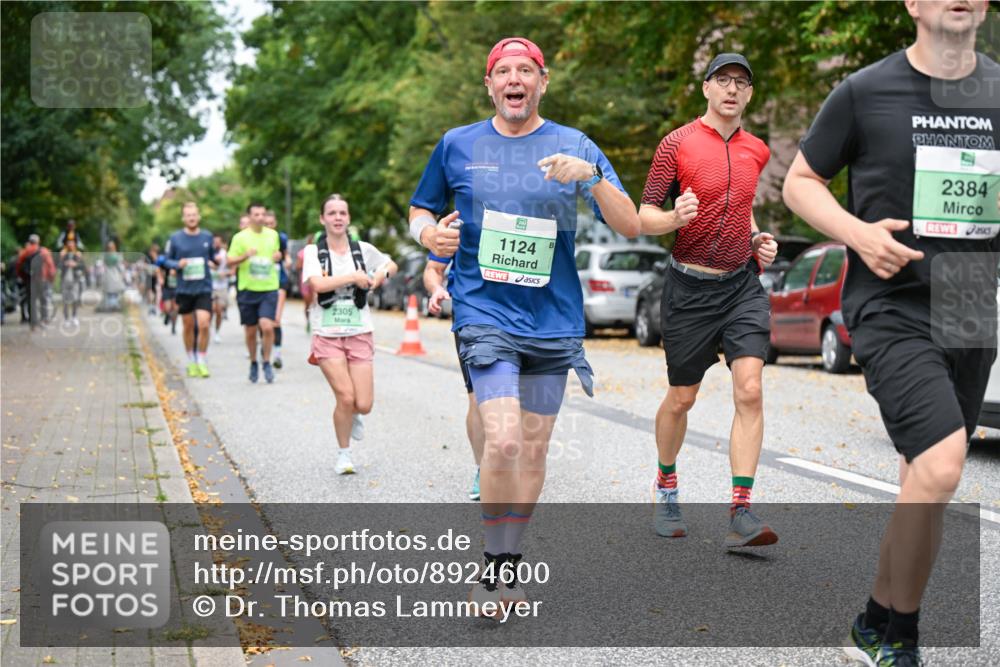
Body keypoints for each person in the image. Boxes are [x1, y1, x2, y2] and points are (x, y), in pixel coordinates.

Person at [782, 2, 998, 664]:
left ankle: (873, 622)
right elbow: (800, 182)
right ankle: (901, 641)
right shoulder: (866, 90)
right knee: (943, 461)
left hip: (971, 304)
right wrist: (857, 234)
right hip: (892, 303)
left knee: (925, 481)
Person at [409, 37, 640, 610]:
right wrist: (427, 234)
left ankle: (508, 562)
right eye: (504, 71)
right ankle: (492, 561)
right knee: (505, 439)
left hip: (553, 320)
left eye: (526, 71)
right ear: (489, 85)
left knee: (533, 451)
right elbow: (421, 208)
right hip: (484, 311)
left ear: (543, 81)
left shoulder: (575, 145)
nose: (515, 79)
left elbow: (630, 224)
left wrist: (592, 175)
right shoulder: (457, 144)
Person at [637, 53, 779, 548]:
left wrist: (758, 238)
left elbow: (743, 207)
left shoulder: (757, 150)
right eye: (723, 80)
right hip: (689, 289)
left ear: (750, 93)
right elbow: (643, 215)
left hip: (741, 286)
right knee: (683, 398)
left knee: (750, 390)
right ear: (706, 88)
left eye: (741, 82)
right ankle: (666, 484)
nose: (732, 89)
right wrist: (674, 218)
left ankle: (741, 510)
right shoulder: (676, 143)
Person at [303, 194, 397, 475]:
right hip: (327, 333)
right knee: (345, 396)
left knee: (363, 404)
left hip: (359, 332)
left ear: (348, 218)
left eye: (342, 213)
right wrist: (354, 277)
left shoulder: (362, 249)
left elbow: (390, 264)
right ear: (322, 219)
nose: (337, 217)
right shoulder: (314, 252)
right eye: (332, 213)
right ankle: (343, 455)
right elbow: (318, 285)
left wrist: (380, 276)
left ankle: (356, 413)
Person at [424, 255, 486, 500]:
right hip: (473, 313)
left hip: (526, 313)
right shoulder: (458, 230)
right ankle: (483, 469)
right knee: (478, 396)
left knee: (522, 395)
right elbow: (433, 268)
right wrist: (436, 288)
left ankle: (511, 461)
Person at [228, 202, 282, 383]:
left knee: (267, 326)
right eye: (256, 214)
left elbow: (276, 254)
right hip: (247, 289)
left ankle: (266, 361)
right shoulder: (240, 238)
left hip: (269, 288)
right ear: (249, 217)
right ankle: (253, 362)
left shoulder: (273, 235)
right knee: (250, 331)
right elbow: (229, 261)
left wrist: (278, 256)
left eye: (262, 214)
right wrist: (245, 255)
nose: (260, 218)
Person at [163, 202, 216, 378]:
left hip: (204, 287)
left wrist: (215, 263)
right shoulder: (175, 238)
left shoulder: (207, 236)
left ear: (198, 216)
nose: (191, 218)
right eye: (188, 215)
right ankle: (191, 360)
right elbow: (166, 260)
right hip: (184, 289)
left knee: (204, 323)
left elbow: (213, 257)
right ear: (183, 218)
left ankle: (201, 359)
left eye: (194, 215)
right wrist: (177, 264)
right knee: (188, 325)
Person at [264, 210, 289, 368]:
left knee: (276, 320)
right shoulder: (256, 239)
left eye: (271, 224)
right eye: (266, 224)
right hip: (262, 284)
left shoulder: (281, 238)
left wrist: (287, 259)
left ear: (276, 224)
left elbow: (286, 254)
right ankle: (265, 350)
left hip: (279, 281)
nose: (269, 227)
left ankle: (277, 355)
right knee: (264, 321)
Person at [15, 234, 57, 329]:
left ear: (29, 241)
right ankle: (44, 320)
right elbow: (51, 266)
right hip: (42, 278)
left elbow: (19, 266)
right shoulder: (44, 251)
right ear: (38, 241)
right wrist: (51, 278)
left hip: (30, 279)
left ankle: (33, 323)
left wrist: (23, 277)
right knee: (43, 299)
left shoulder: (25, 252)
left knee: (31, 301)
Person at [59, 238, 86, 324]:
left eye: (72, 244)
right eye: (69, 244)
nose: (70, 246)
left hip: (75, 280)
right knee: (65, 299)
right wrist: (65, 263)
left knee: (75, 298)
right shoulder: (63, 255)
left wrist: (75, 264)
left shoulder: (78, 255)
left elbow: (83, 266)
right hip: (65, 280)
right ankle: (66, 318)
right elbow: (59, 265)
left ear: (74, 245)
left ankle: (74, 317)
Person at [210, 233, 230, 343]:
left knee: (219, 311)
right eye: (215, 242)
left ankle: (217, 332)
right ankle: (206, 329)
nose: (216, 244)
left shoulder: (225, 254)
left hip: (222, 286)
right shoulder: (208, 253)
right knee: (211, 309)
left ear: (221, 243)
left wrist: (225, 273)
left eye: (218, 242)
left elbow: (232, 270)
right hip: (210, 286)